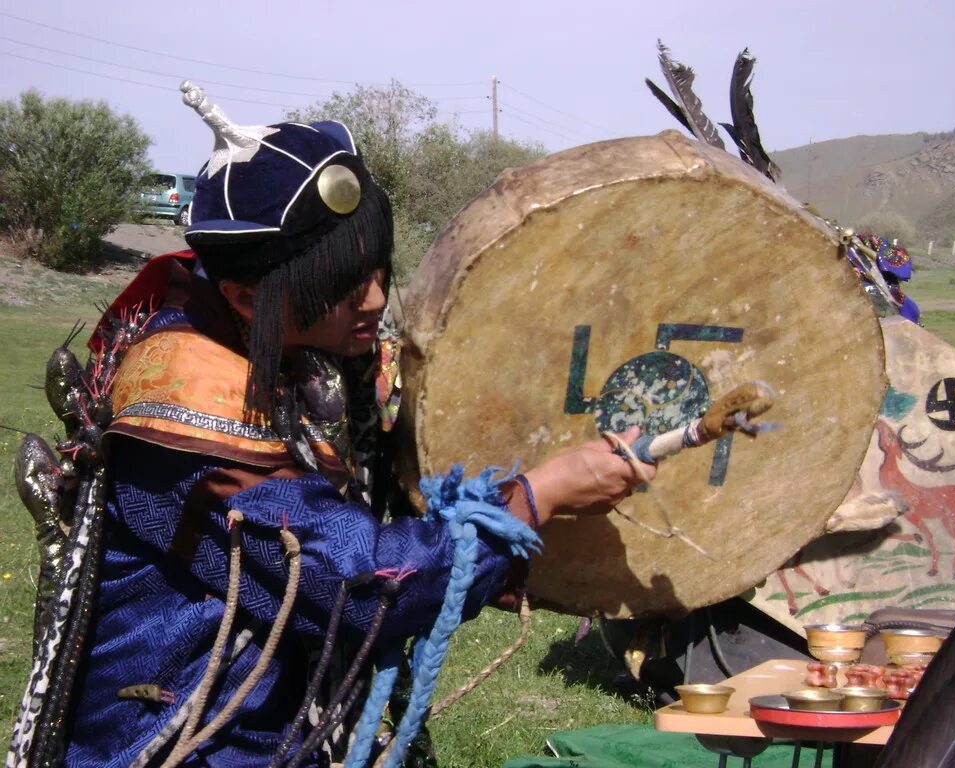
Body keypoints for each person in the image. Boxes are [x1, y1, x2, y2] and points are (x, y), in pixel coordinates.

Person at [6, 83, 652, 768]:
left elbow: (382, 511)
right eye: (344, 287)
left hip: (274, 733)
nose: (374, 300)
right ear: (245, 297)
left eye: (377, 272)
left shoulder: (290, 346)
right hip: (189, 746)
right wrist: (538, 495)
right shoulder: (188, 400)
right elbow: (360, 584)